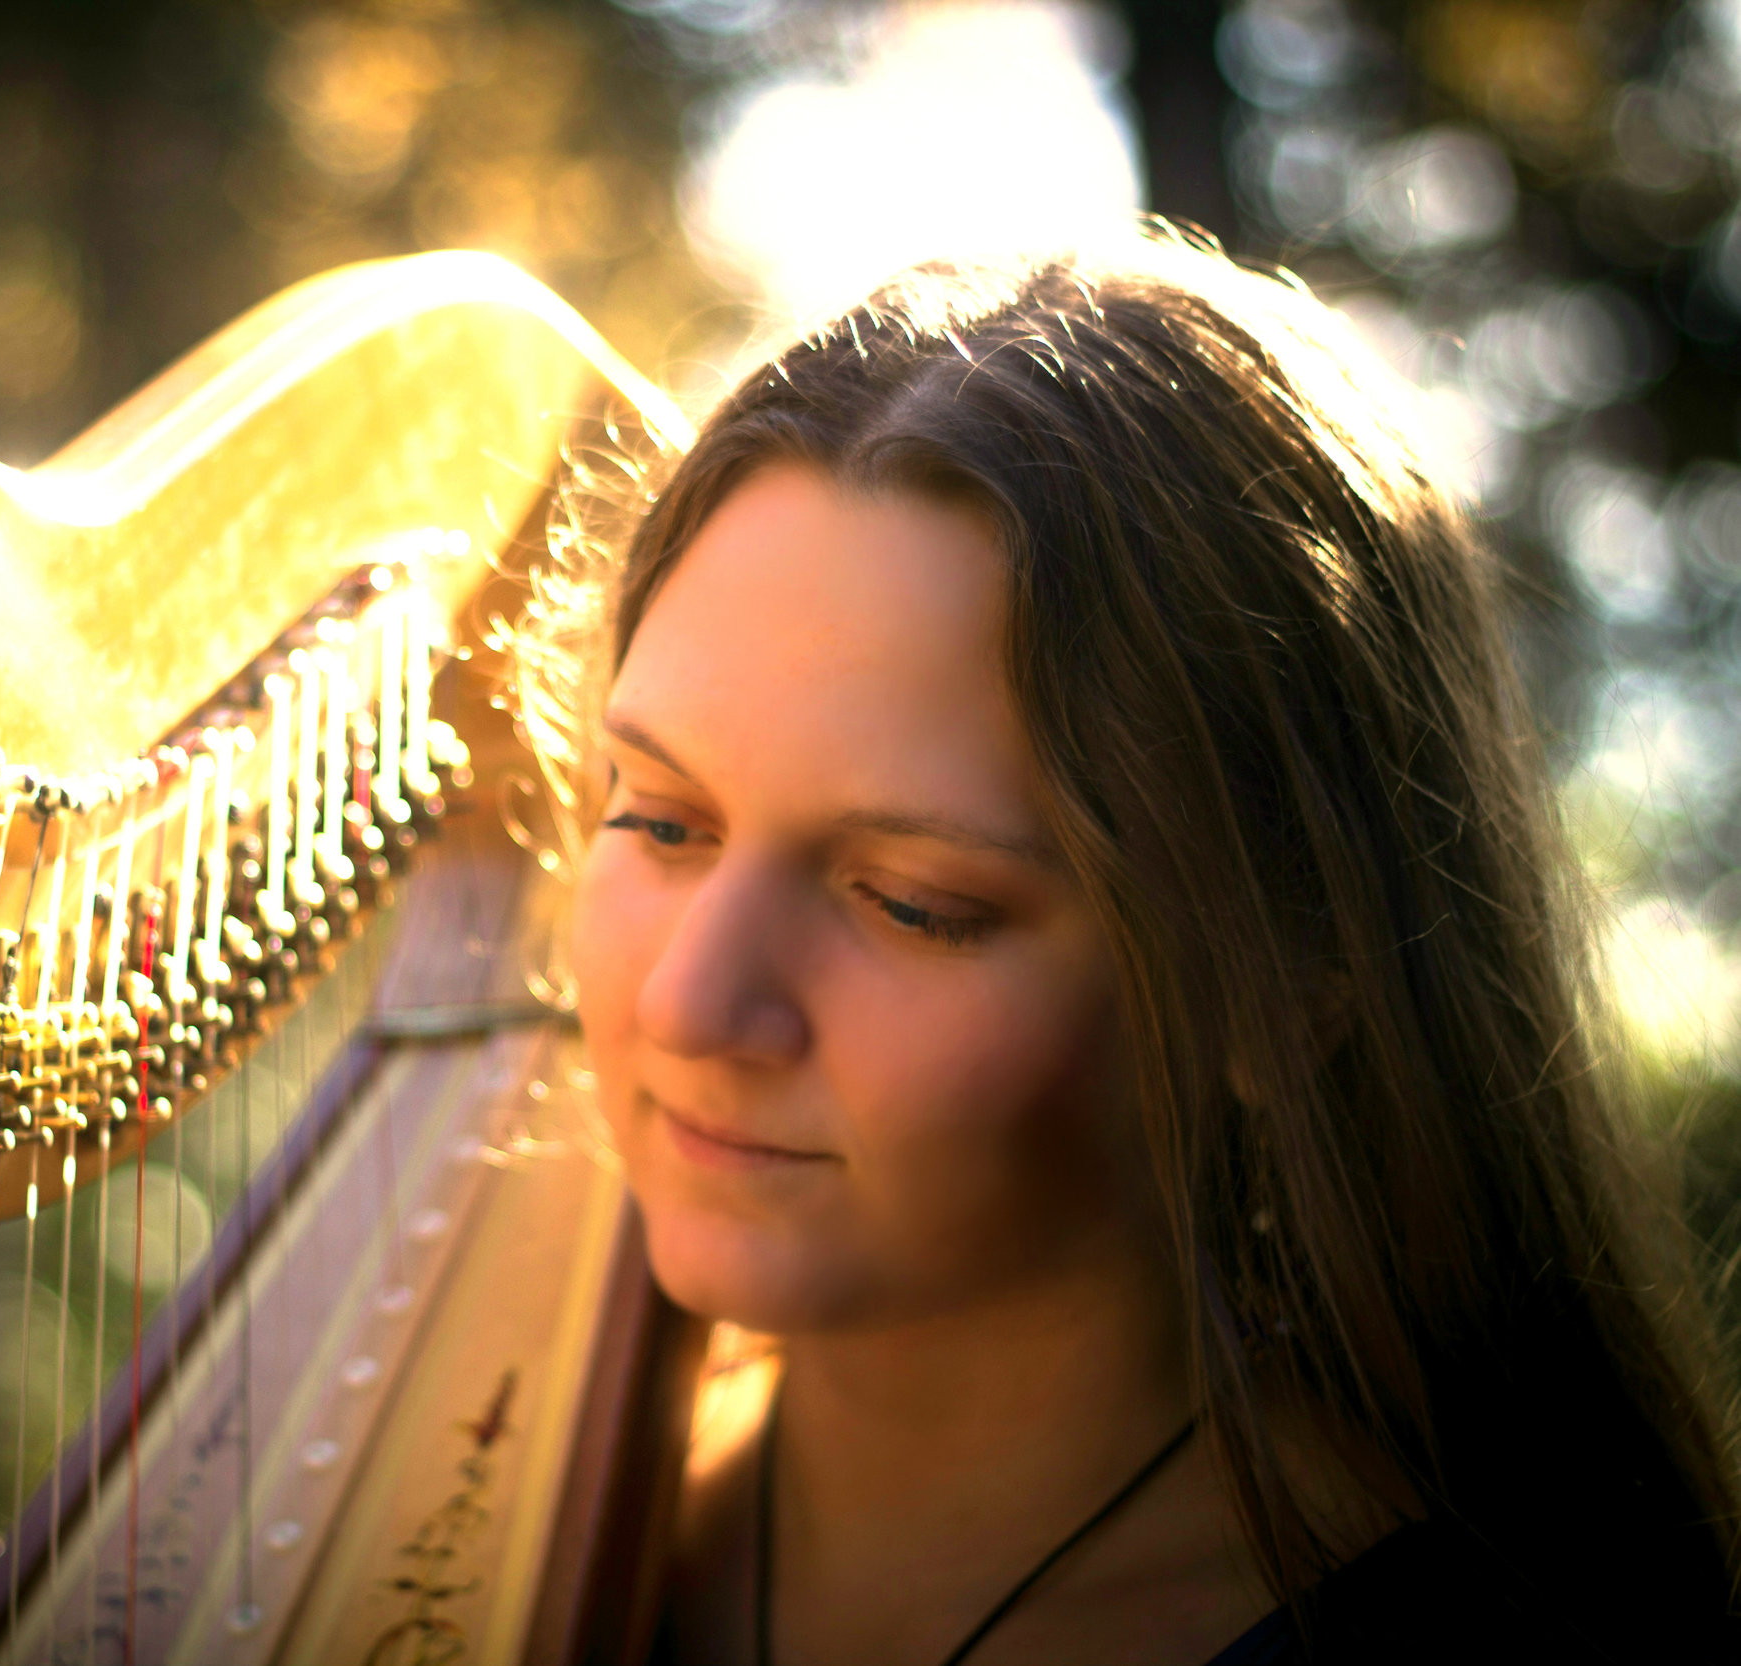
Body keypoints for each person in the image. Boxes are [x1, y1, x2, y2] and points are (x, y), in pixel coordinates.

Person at [543, 235, 1741, 1663]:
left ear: (1289, 985)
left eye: (913, 901)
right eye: (661, 820)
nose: (690, 999)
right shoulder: (530, 1516)